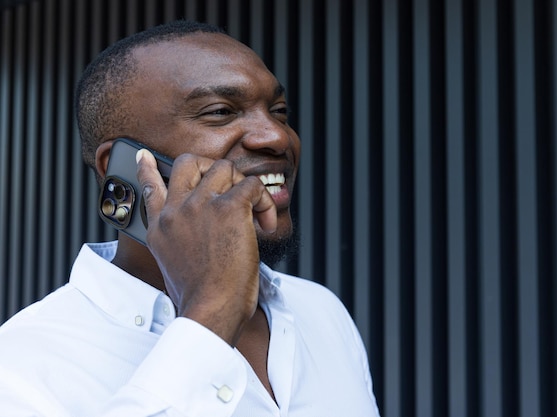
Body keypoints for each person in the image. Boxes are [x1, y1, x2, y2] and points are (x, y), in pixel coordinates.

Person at [0, 20, 380, 416]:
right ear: (123, 167)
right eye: (220, 112)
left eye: (279, 111)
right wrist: (211, 317)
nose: (277, 137)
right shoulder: (21, 366)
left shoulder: (320, 310)